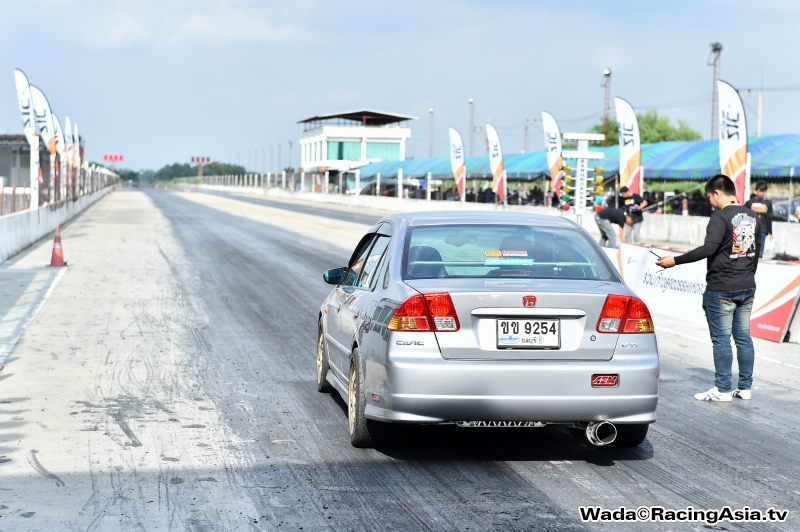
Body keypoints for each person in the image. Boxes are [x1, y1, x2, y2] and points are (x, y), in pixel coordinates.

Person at [656, 174, 762, 402]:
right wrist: (745, 276)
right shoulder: (754, 216)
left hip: (722, 287)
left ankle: (723, 389)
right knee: (743, 337)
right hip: (746, 285)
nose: (709, 201)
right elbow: (756, 253)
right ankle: (745, 388)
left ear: (717, 192)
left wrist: (674, 260)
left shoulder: (720, 217)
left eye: (709, 196)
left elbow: (708, 249)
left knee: (722, 339)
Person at [745, 181, 774, 258]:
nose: (762, 193)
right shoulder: (749, 203)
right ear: (756, 190)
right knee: (750, 249)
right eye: (760, 190)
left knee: (760, 249)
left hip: (763, 229)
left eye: (764, 191)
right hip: (750, 229)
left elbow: (769, 218)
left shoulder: (768, 203)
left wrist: (770, 232)